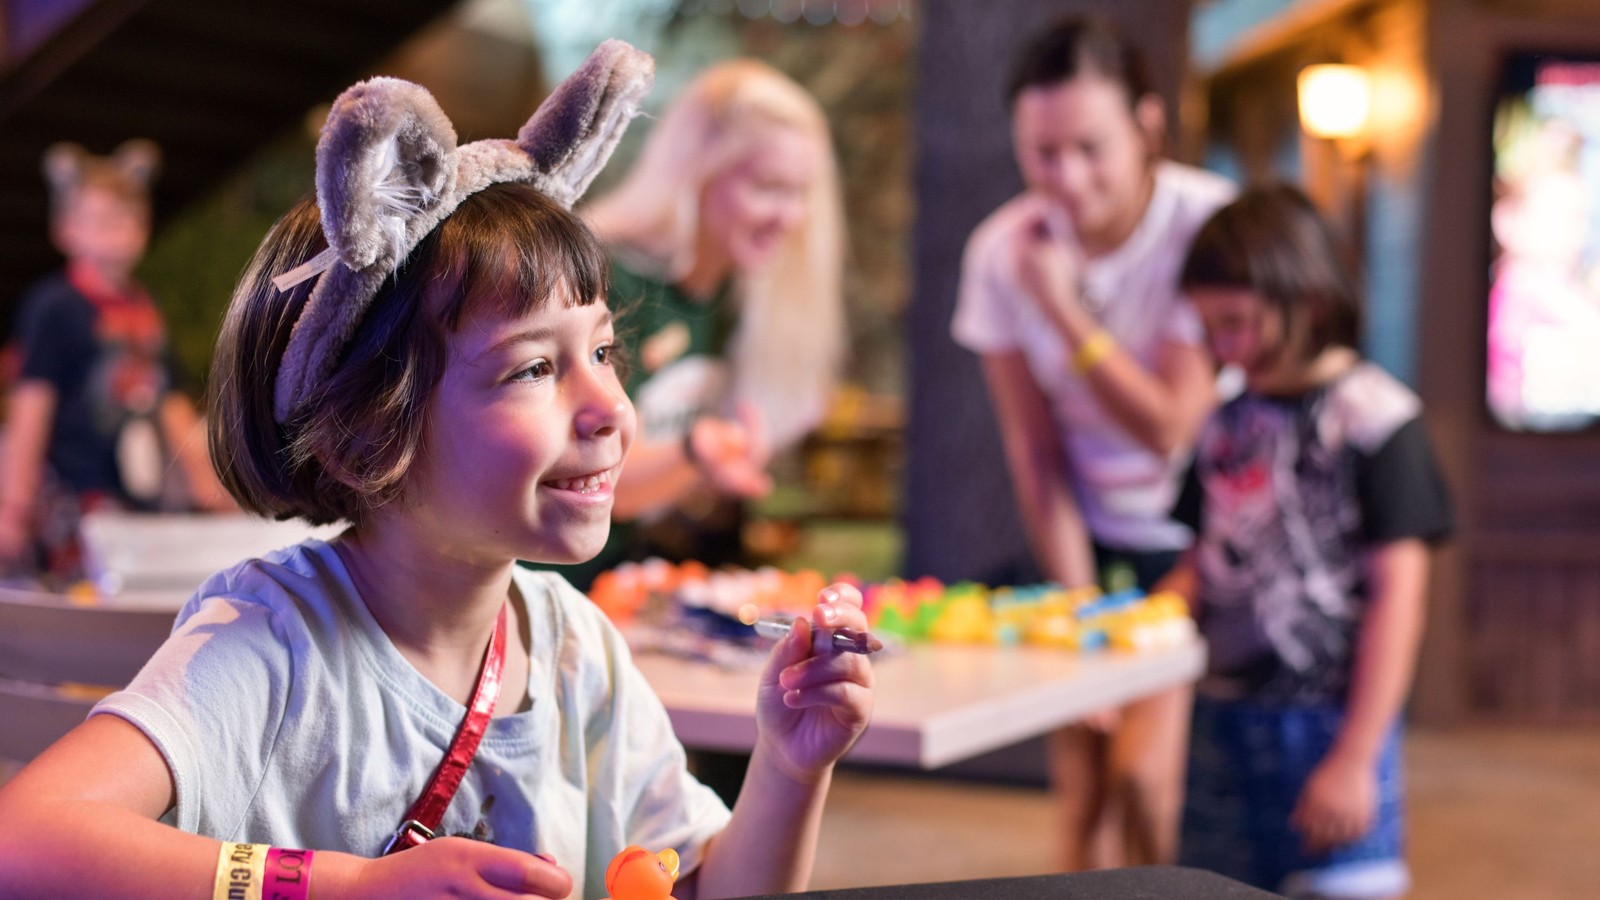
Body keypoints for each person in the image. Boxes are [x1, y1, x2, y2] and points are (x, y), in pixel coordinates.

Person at [0, 42, 874, 900]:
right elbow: (26, 838)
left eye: (604, 350)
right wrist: (345, 887)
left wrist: (791, 766)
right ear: (367, 434)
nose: (610, 406)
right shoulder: (277, 643)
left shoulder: (575, 651)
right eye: (535, 368)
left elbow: (707, 885)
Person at [950, 15, 1234, 869]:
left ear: (1149, 125)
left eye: (1090, 147)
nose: (1064, 179)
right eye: (1042, 153)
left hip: (1199, 541)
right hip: (1085, 545)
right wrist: (1081, 614)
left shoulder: (1205, 226)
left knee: (1147, 783)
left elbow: (1168, 429)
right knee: (1083, 799)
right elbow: (1035, 455)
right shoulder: (1001, 250)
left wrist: (1062, 307)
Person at [1165, 184, 1453, 898]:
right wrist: (1130, 648)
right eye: (1208, 328)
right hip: (1219, 730)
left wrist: (1356, 756)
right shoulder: (1223, 424)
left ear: (1310, 303)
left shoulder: (1378, 423)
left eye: (1236, 322)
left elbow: (1398, 601)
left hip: (1333, 725)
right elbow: (1197, 569)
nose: (1222, 348)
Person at [566, 58, 846, 587]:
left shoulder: (742, 297)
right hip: (548, 593)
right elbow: (601, 480)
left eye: (799, 191)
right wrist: (698, 453)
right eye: (767, 187)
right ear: (698, 172)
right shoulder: (606, 279)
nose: (789, 216)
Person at [0, 140, 231, 583]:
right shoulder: (55, 306)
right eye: (101, 220)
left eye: (129, 219)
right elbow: (31, 404)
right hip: (75, 498)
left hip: (138, 498)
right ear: (65, 228)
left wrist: (206, 481)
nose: (118, 231)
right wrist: (14, 505)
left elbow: (171, 400)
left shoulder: (145, 309)